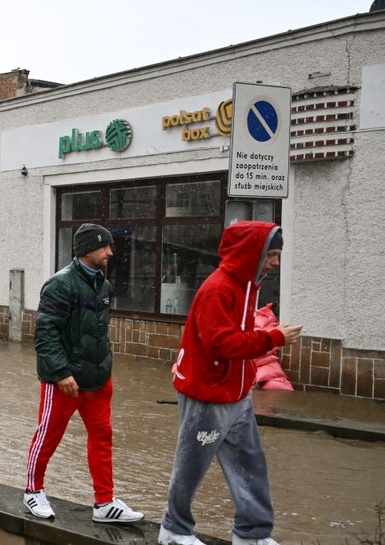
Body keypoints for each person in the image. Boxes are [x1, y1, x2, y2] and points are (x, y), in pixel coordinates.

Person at [158, 221, 301, 545]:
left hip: (237, 395)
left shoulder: (247, 287)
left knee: (250, 464)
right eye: (272, 255)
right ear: (253, 254)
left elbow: (233, 338)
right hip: (207, 395)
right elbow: (219, 343)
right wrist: (273, 337)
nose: (276, 263)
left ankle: (251, 535)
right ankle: (173, 530)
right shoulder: (218, 288)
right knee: (191, 466)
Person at [23, 223, 144, 524]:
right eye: (105, 247)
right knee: (48, 436)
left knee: (103, 437)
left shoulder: (104, 286)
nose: (110, 253)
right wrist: (61, 372)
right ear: (88, 249)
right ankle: (32, 491)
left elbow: (98, 332)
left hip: (98, 380)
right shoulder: (60, 284)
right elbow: (45, 333)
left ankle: (104, 502)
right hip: (64, 381)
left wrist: (106, 368)